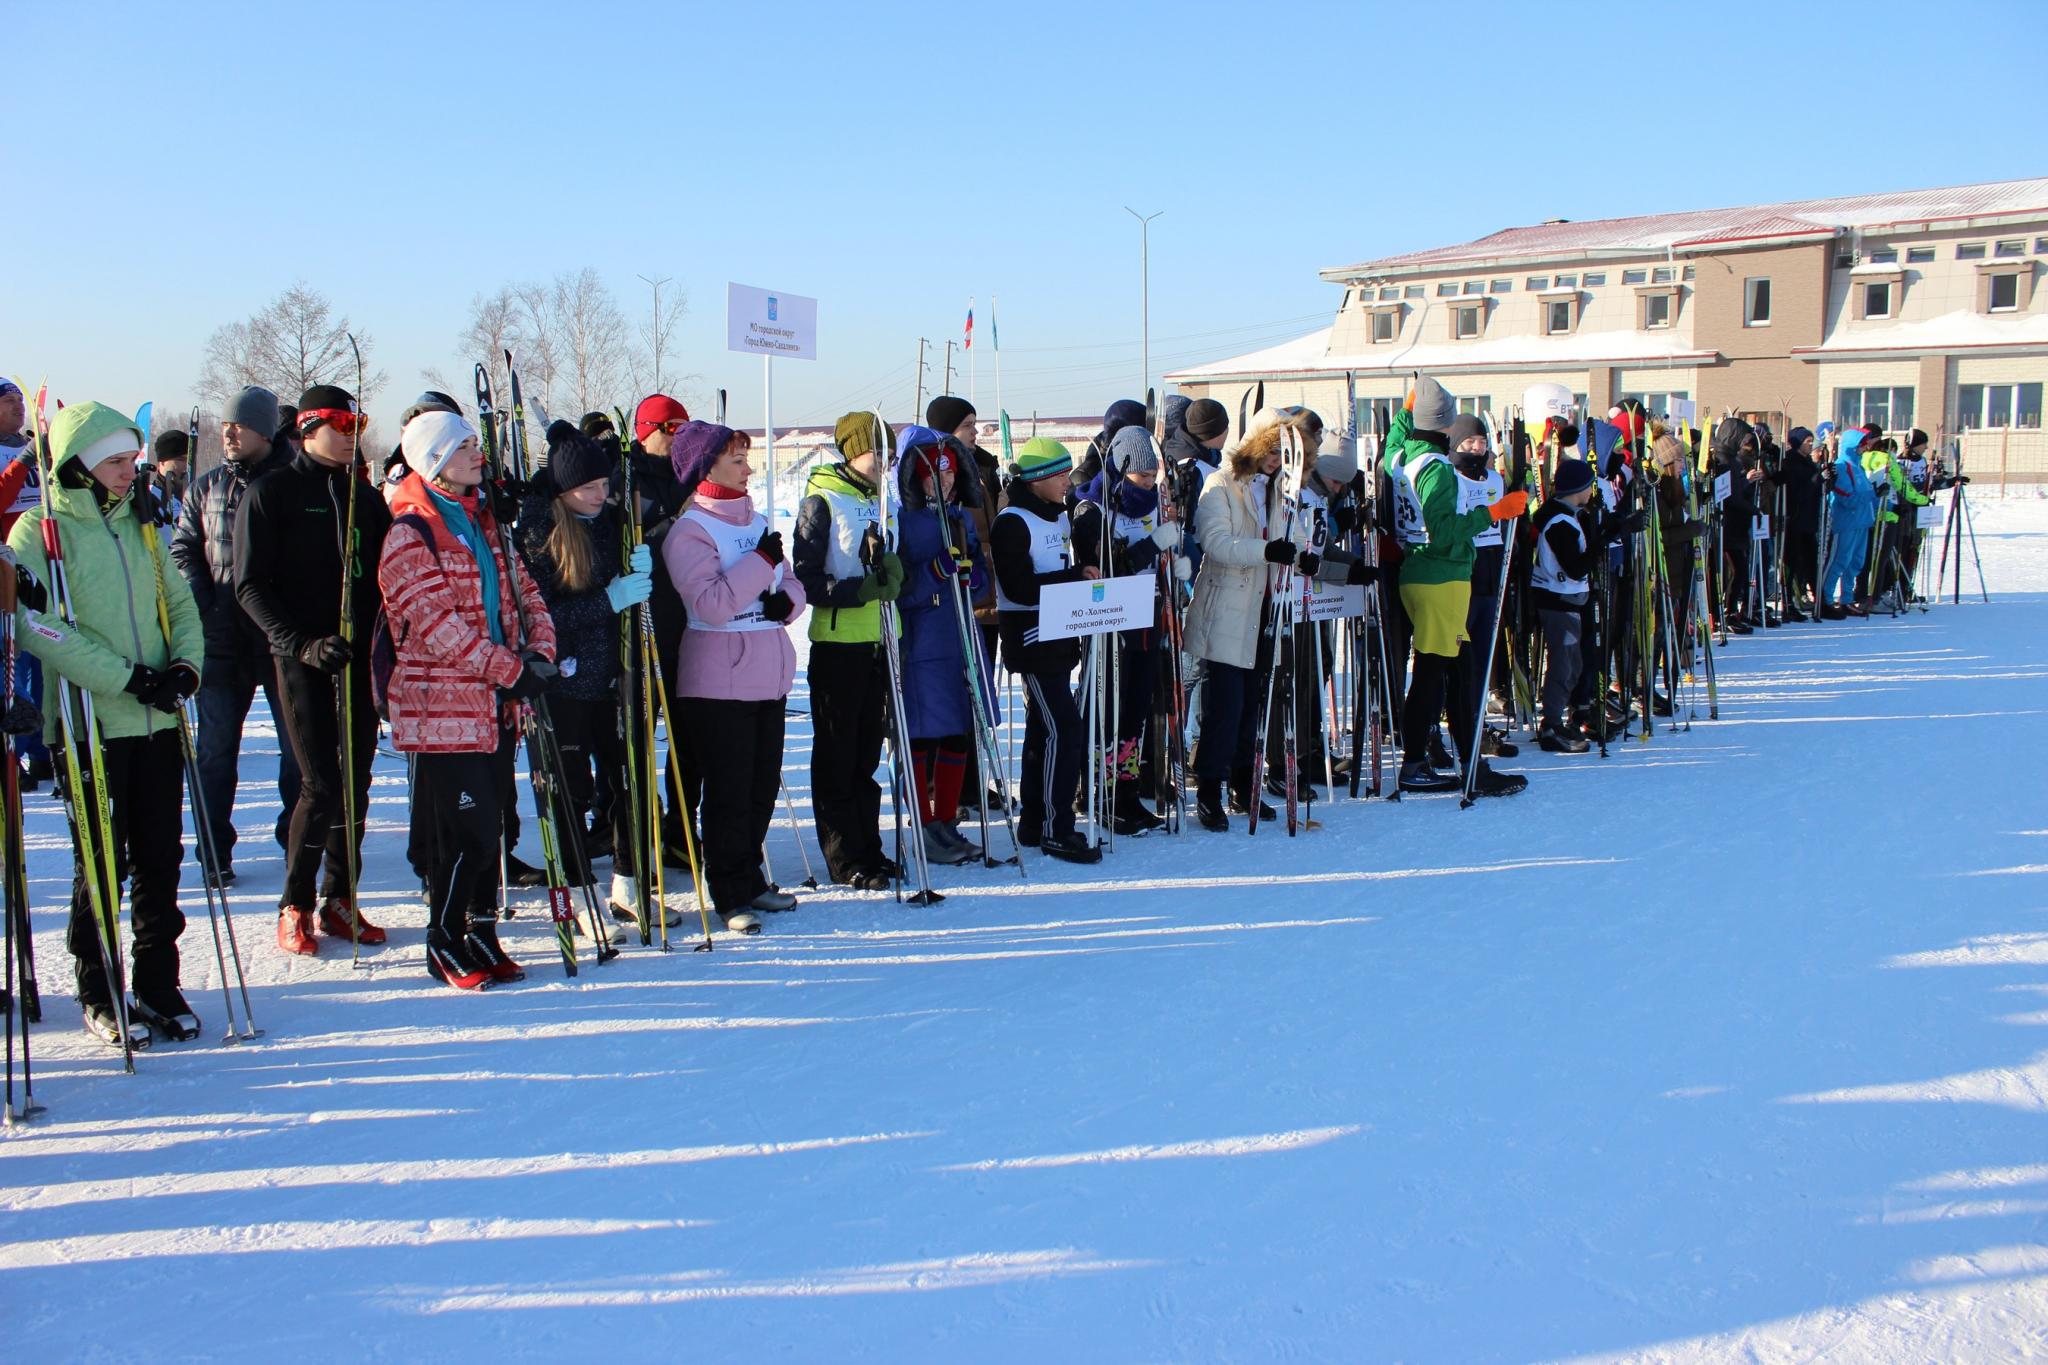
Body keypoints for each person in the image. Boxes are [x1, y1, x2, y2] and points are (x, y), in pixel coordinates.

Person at [9, 401, 205, 1045]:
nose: (130, 472)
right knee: (101, 860)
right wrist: (125, 676)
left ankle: (156, 979)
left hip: (158, 718)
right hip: (94, 719)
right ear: (81, 466)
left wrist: (183, 666)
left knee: (160, 857)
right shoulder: (39, 532)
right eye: (116, 462)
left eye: (132, 459)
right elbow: (34, 624)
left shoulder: (141, 521)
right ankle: (98, 985)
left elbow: (178, 599)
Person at [379, 410, 554, 989]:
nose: (477, 453)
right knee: (464, 834)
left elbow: (525, 591)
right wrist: (510, 671)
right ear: (432, 462)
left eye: (476, 444)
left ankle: (481, 931)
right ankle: (443, 938)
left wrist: (540, 653)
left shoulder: (485, 521)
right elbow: (439, 628)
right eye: (462, 447)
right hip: (444, 711)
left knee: (493, 832)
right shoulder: (411, 534)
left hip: (497, 706)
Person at [234, 384, 390, 955]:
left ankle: (341, 897)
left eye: (359, 424)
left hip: (355, 660)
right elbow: (248, 585)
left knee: (358, 784)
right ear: (307, 427)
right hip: (300, 660)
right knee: (319, 784)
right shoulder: (271, 491)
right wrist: (299, 644)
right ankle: (294, 902)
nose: (352, 435)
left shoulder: (364, 498)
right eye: (341, 424)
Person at [518, 421, 672, 933]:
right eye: (589, 488)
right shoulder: (541, 532)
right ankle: (578, 890)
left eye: (606, 486)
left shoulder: (609, 524)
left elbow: (629, 591)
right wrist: (608, 599)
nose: (601, 496)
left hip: (615, 678)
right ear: (564, 491)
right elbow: (541, 615)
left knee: (630, 782)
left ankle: (630, 882)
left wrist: (638, 567)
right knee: (572, 790)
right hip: (563, 683)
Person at [666, 421, 808, 931]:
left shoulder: (757, 519)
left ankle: (751, 878)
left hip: (768, 672)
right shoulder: (690, 531)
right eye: (737, 461)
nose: (749, 469)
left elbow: (790, 582)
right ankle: (728, 892)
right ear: (706, 469)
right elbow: (711, 603)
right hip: (717, 679)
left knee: (761, 786)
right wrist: (761, 561)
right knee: (728, 790)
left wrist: (785, 603)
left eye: (747, 459)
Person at [169, 385, 302, 885]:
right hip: (220, 639)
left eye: (240, 425)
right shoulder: (205, 487)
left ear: (264, 432)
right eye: (226, 424)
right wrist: (204, 602)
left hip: (279, 640)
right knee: (216, 749)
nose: (229, 432)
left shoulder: (292, 483)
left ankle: (296, 837)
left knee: (297, 749)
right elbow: (183, 549)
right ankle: (213, 851)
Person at [1387, 380, 1527, 797]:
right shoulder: (1437, 468)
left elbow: (1395, 436)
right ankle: (1442, 765)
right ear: (1446, 425)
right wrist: (1494, 513)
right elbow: (1445, 530)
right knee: (1445, 676)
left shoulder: (1401, 458)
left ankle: (1448, 761)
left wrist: (1410, 407)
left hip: (1418, 573)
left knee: (1444, 672)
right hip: (1441, 576)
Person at [1181, 418, 1311, 831]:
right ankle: (1208, 789)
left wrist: (1304, 556)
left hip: (1265, 609)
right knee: (1226, 706)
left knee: (1254, 705)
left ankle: (1242, 782)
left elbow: (1298, 536)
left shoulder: (1279, 490)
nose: (1276, 462)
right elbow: (1215, 543)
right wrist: (1268, 550)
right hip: (1227, 608)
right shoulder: (1220, 484)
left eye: (1283, 456)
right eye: (1272, 453)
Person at [793, 414, 904, 890]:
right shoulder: (823, 499)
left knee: (866, 757)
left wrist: (896, 574)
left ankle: (870, 848)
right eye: (877, 453)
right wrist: (858, 588)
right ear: (851, 451)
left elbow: (893, 569)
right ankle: (845, 857)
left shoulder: (883, 500)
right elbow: (807, 579)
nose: (884, 463)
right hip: (838, 646)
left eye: (890, 456)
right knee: (838, 757)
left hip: (880, 641)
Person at [990, 438, 1099, 862]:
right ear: (1036, 480)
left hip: (1059, 632)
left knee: (1044, 729)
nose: (1067, 483)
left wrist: (1086, 555)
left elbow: (1065, 569)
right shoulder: (1012, 521)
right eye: (1058, 476)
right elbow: (1018, 588)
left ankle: (1034, 821)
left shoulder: (1057, 516)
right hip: (1030, 635)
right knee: (1065, 729)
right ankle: (1058, 827)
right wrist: (1073, 578)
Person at [893, 427, 995, 865]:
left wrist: (974, 578)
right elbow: (897, 589)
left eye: (951, 473)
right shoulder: (900, 520)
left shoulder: (958, 517)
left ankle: (947, 818)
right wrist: (935, 571)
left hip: (961, 638)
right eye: (936, 473)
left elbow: (982, 584)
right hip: (921, 642)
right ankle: (924, 822)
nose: (945, 481)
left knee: (958, 730)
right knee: (920, 734)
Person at [1072, 423, 1177, 834]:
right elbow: (1107, 566)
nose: (1148, 483)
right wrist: (1153, 545)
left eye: (1153, 476)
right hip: (1110, 621)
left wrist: (1173, 564)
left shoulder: (1152, 504)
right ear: (1121, 468)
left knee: (1135, 711)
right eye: (1141, 476)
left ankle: (1128, 790)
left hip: (1147, 618)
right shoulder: (1094, 508)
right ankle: (1099, 790)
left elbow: (1156, 556)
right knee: (1110, 711)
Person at [1529, 458, 1641, 753]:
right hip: (1558, 600)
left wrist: (1615, 528)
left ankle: (1568, 715)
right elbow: (1577, 567)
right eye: (1588, 486)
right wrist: (1604, 540)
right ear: (1578, 488)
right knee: (1564, 665)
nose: (1591, 492)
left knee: (1575, 663)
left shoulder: (1570, 515)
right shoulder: (1559, 522)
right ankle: (1551, 724)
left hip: (1568, 599)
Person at [0, 377, 51, 790]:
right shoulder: (14, 455)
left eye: (21, 400)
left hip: (42, 573)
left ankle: (40, 751)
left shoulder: (31, 445)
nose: (18, 407)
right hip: (6, 574)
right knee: (10, 670)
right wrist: (24, 463)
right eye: (9, 401)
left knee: (42, 661)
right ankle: (11, 755)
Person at [1819, 428, 1875, 619]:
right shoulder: (1842, 467)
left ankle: (1847, 599)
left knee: (1855, 563)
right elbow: (1847, 499)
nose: (1865, 447)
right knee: (1839, 561)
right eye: (1862, 444)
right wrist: (1873, 493)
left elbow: (1866, 495)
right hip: (1846, 524)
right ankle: (1825, 599)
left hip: (1862, 523)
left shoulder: (1859, 468)